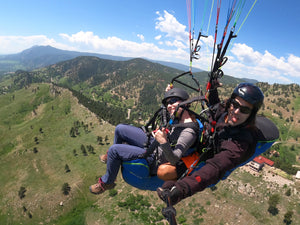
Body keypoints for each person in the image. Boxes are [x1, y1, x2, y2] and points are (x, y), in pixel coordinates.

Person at [157, 82, 267, 205]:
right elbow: (215, 105)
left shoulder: (239, 144)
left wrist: (182, 189)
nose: (236, 111)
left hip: (205, 155)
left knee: (163, 171)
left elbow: (215, 168)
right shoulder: (225, 110)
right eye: (235, 104)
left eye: (244, 109)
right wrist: (213, 88)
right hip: (202, 141)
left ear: (251, 114)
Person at [89, 88, 199, 194]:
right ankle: (112, 160)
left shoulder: (189, 132)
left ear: (185, 103)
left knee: (114, 150)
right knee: (120, 129)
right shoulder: (177, 116)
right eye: (168, 103)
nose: (169, 106)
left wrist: (163, 142)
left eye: (173, 101)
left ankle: (107, 182)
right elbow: (166, 111)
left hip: (156, 158)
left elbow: (174, 159)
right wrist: (168, 94)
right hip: (154, 142)